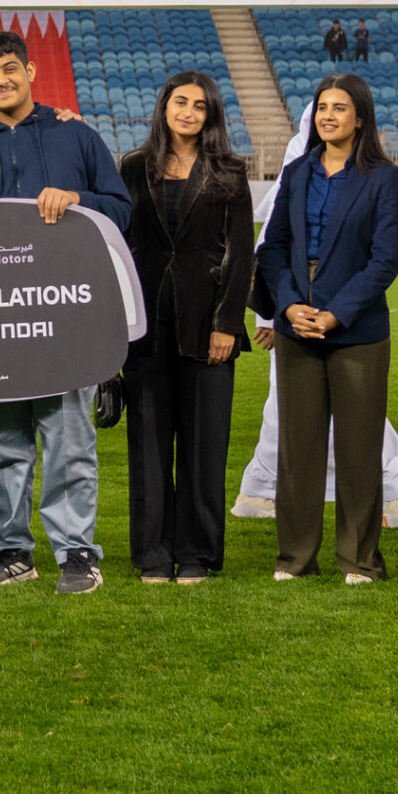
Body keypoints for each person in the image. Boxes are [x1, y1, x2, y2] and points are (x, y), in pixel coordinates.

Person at [0, 28, 134, 595]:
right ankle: (11, 550)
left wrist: (79, 201)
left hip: (67, 318)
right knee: (4, 441)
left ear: (30, 71)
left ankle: (77, 552)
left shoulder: (76, 136)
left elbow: (121, 211)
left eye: (10, 69)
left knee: (69, 439)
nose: (1, 80)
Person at [256, 73, 398, 585]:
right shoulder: (297, 171)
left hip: (357, 331)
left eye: (340, 108)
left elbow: (384, 262)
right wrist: (288, 306)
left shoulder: (384, 178)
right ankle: (295, 558)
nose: (328, 116)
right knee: (297, 451)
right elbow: (273, 247)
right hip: (296, 325)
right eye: (322, 107)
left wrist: (336, 313)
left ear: (359, 118)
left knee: (359, 450)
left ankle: (359, 560)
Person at [117, 72, 252, 584]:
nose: (188, 112)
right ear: (164, 107)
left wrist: (226, 324)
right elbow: (121, 245)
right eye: (180, 102)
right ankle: (153, 553)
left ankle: (197, 554)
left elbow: (242, 254)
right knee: (148, 446)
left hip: (208, 327)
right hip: (146, 328)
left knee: (204, 447)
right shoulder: (133, 167)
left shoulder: (230, 170)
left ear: (210, 114)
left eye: (199, 105)